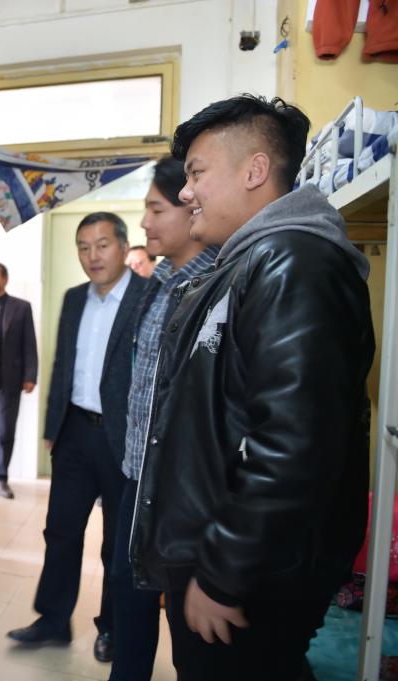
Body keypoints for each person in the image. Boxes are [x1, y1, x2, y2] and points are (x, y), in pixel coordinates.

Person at [130, 95, 374, 681]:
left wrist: (223, 574)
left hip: (250, 572)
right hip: (226, 551)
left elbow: (294, 445)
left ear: (255, 170)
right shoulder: (249, 262)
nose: (186, 192)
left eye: (196, 173)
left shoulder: (296, 262)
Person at [8, 212, 145, 663]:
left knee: (116, 544)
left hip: (124, 441)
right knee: (61, 531)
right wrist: (53, 428)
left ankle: (112, 628)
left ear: (123, 246)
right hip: (75, 434)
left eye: (102, 245)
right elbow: (62, 365)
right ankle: (53, 621)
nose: (93, 256)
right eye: (83, 247)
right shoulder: (72, 298)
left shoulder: (150, 296)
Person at [108, 157, 219, 681]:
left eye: (156, 209)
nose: (145, 222)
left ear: (190, 206)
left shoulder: (215, 287)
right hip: (138, 475)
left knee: (185, 627)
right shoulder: (162, 280)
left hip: (178, 491)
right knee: (127, 596)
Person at [0, 261, 38, 500]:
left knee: (5, 429)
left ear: (5, 279)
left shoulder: (21, 307)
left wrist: (30, 375)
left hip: (10, 379)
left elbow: (29, 343)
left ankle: (1, 477)